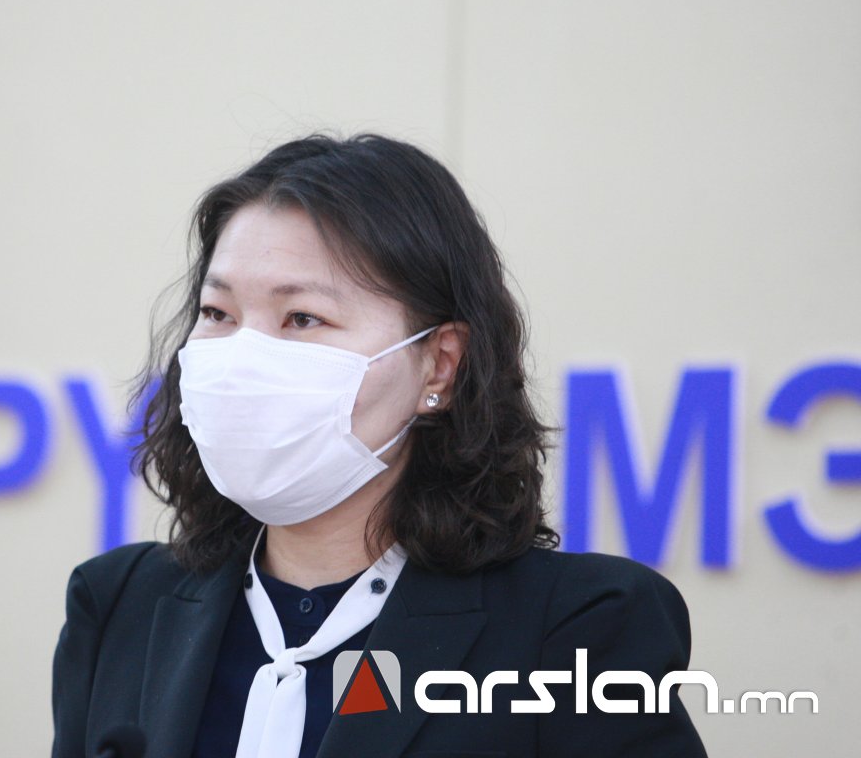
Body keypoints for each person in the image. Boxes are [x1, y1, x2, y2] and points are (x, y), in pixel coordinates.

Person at [51, 133, 708, 758]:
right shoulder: (117, 604)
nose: (244, 357)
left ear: (439, 365)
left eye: (302, 318)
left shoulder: (576, 629)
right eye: (218, 313)